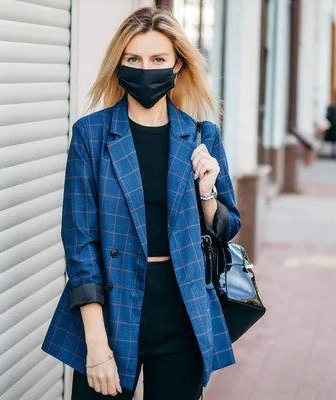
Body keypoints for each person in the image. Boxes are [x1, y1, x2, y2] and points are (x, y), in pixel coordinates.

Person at [41, 6, 241, 399]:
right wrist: (96, 345)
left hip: (183, 309)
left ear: (177, 66)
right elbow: (80, 244)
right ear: (119, 65)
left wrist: (207, 190)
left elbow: (227, 226)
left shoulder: (201, 135)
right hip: (112, 308)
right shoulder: (91, 137)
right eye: (133, 59)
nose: (145, 69)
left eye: (158, 60)